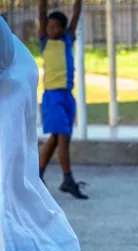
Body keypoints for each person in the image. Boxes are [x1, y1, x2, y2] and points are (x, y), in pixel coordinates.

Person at [0, 16, 83, 251]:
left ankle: (64, 174)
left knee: (61, 138)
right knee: (57, 138)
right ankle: (61, 174)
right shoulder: (33, 46)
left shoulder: (10, 51)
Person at [37, 0, 87, 199]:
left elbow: (76, 14)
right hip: (52, 96)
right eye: (48, 26)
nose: (50, 29)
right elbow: (42, 11)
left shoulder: (67, 39)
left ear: (63, 28)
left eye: (54, 26)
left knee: (56, 139)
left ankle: (38, 175)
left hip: (67, 96)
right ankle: (67, 179)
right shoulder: (44, 41)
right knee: (62, 138)